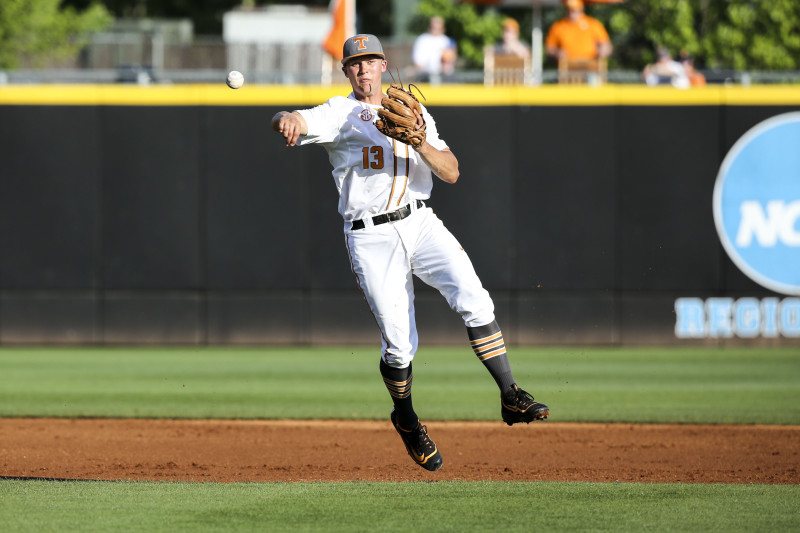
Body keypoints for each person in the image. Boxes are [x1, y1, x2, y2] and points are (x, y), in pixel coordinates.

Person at [271, 34, 549, 472]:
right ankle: (406, 418)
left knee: (474, 297)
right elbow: (295, 119)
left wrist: (419, 140)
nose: (363, 69)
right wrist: (286, 120)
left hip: (419, 221)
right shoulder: (339, 113)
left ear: (384, 65)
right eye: (355, 63)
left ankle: (511, 395)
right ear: (346, 71)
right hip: (370, 236)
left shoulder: (413, 110)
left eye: (370, 61)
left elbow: (452, 171)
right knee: (399, 346)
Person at [545, 0, 612, 63]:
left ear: (581, 10)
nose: (572, 13)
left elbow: (606, 45)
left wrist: (603, 51)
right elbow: (549, 49)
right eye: (569, 10)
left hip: (591, 65)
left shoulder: (593, 24)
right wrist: (557, 52)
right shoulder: (558, 26)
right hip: (567, 66)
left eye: (574, 10)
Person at [412, 16, 457, 83]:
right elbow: (417, 62)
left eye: (438, 28)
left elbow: (450, 61)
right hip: (425, 77)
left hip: (444, 78)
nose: (435, 30)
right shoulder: (422, 40)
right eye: (434, 27)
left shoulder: (447, 41)